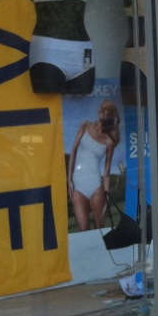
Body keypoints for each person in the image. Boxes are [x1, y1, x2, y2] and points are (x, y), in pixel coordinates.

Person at [68, 99, 120, 231]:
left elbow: (106, 173)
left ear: (110, 116)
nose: (101, 111)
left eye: (106, 110)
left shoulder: (109, 141)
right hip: (78, 185)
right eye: (101, 108)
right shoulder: (85, 126)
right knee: (83, 227)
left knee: (100, 228)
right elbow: (73, 152)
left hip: (96, 185)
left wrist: (107, 198)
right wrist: (69, 180)